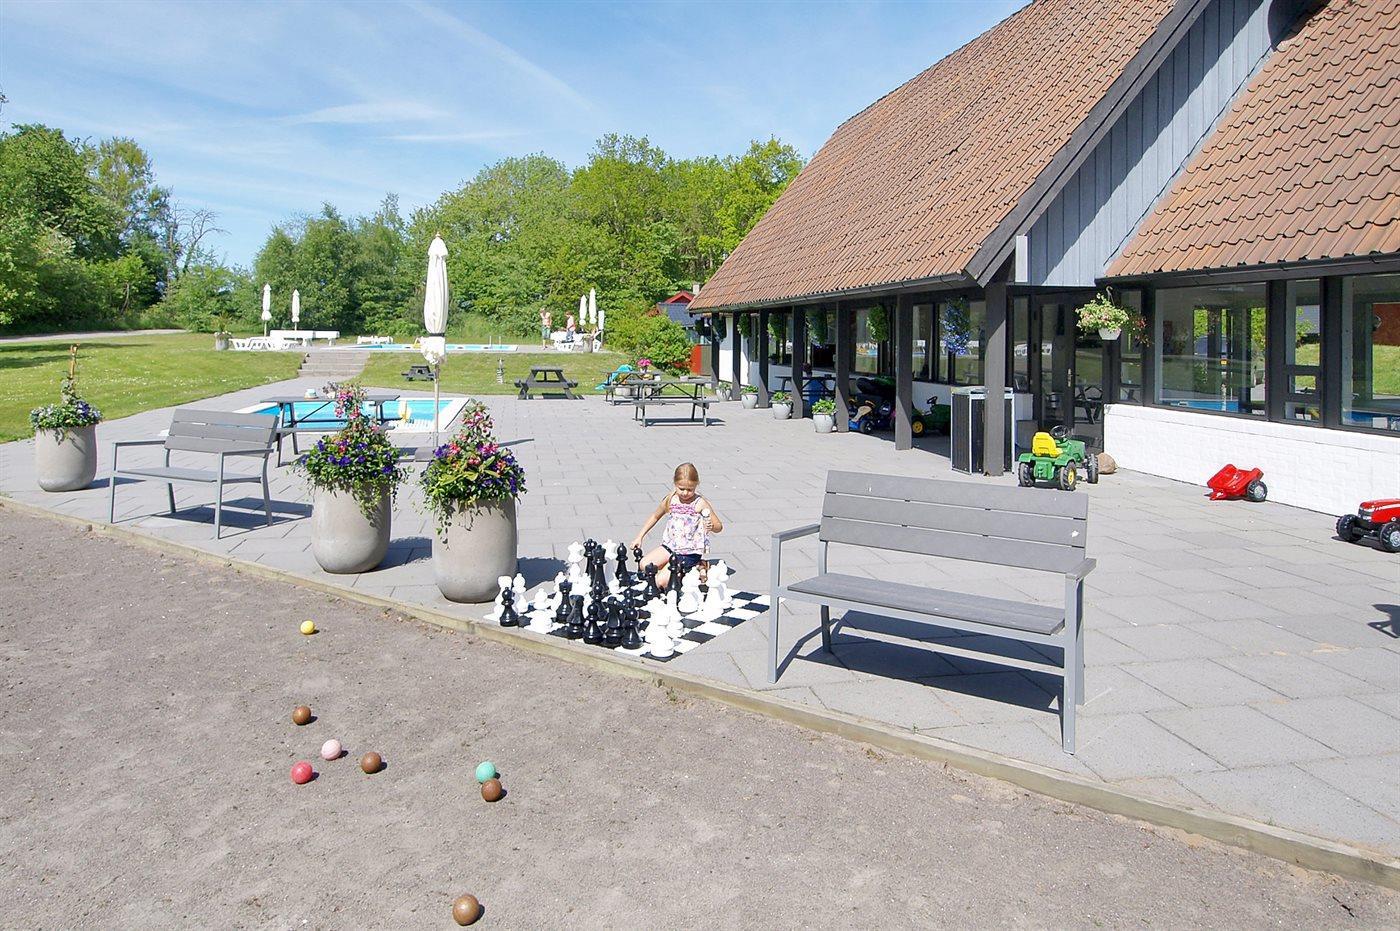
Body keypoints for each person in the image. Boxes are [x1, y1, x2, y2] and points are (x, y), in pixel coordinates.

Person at [631, 463, 722, 590]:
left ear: (696, 485)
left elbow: (719, 527)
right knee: (644, 565)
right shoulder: (670, 500)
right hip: (670, 547)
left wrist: (711, 526)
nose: (685, 493)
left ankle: (696, 565)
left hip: (688, 552)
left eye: (690, 489)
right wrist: (639, 537)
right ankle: (679, 568)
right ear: (675, 483)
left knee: (661, 582)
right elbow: (655, 516)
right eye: (681, 488)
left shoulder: (700, 503)